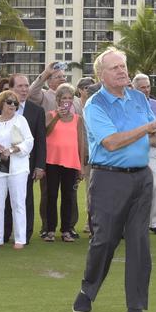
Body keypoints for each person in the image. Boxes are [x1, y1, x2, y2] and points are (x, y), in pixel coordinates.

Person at [72, 48, 156, 312]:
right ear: (101, 75)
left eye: (123, 66)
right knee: (105, 240)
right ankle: (87, 291)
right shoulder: (95, 105)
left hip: (142, 178)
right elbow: (111, 142)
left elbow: (149, 136)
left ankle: (136, 305)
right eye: (115, 67)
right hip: (109, 179)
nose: (122, 71)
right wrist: (150, 128)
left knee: (139, 242)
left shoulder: (139, 98)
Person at [0, 89, 35, 248]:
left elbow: (29, 141)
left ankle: (20, 239)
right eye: (9, 102)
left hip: (18, 167)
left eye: (15, 103)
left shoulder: (21, 120)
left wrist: (12, 150)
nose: (12, 105)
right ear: (1, 103)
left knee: (18, 202)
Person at [6, 74, 48, 243]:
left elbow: (41, 140)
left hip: (27, 163)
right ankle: (4, 233)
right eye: (20, 86)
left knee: (26, 199)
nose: (24, 89)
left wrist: (40, 165)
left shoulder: (36, 110)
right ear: (11, 88)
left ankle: (24, 234)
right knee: (5, 198)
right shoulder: (0, 108)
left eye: (26, 86)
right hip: (4, 162)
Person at [43, 83, 87, 242]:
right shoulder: (50, 115)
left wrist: (81, 166)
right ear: (58, 100)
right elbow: (45, 132)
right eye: (64, 98)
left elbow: (80, 142)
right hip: (52, 161)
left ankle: (66, 230)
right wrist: (57, 117)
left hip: (71, 162)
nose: (67, 101)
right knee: (51, 195)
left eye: (69, 98)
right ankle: (50, 230)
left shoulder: (78, 119)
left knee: (68, 197)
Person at [133, 74, 156, 234]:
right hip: (132, 150)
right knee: (133, 189)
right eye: (142, 87)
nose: (146, 90)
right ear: (135, 89)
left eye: (148, 87)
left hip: (152, 151)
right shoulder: (128, 105)